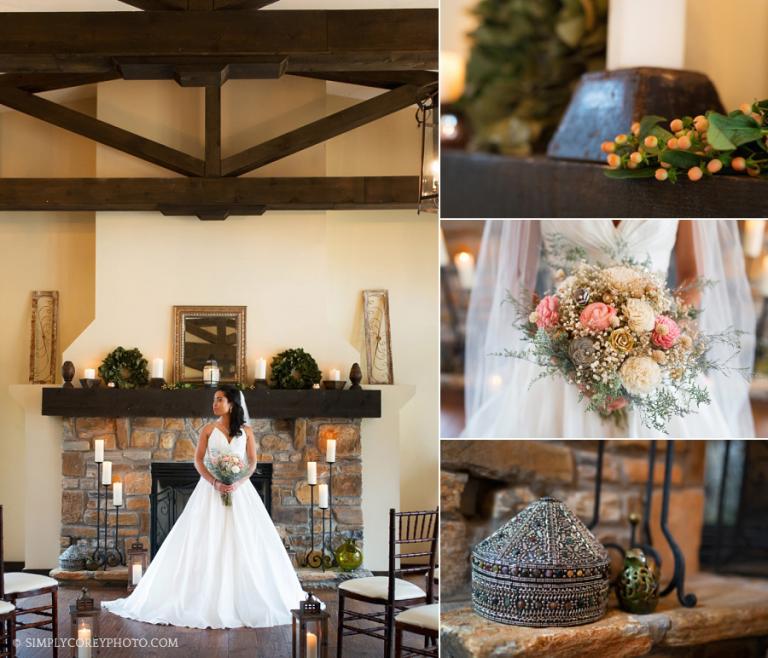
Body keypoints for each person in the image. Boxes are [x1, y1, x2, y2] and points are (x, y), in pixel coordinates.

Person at [461, 220, 756, 439]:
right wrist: (565, 354)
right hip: (557, 363)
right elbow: (515, 278)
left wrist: (657, 344)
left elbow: (694, 277)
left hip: (657, 359)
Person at [103, 386, 305, 628]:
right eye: (214, 400)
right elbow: (198, 461)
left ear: (232, 404)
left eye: (219, 400)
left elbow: (252, 463)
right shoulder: (208, 430)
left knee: (244, 540)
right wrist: (216, 481)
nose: (214, 404)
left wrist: (238, 481)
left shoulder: (247, 432)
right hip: (210, 490)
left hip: (239, 492)